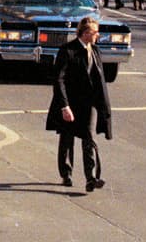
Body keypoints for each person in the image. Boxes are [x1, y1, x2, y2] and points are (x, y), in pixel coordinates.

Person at [46, 16, 112, 192]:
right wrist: (64, 106)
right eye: (95, 33)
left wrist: (102, 105)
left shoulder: (95, 51)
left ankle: (91, 177)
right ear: (86, 33)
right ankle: (66, 174)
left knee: (89, 138)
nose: (97, 36)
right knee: (67, 138)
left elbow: (99, 79)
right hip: (70, 101)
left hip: (88, 103)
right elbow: (59, 80)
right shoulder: (68, 51)